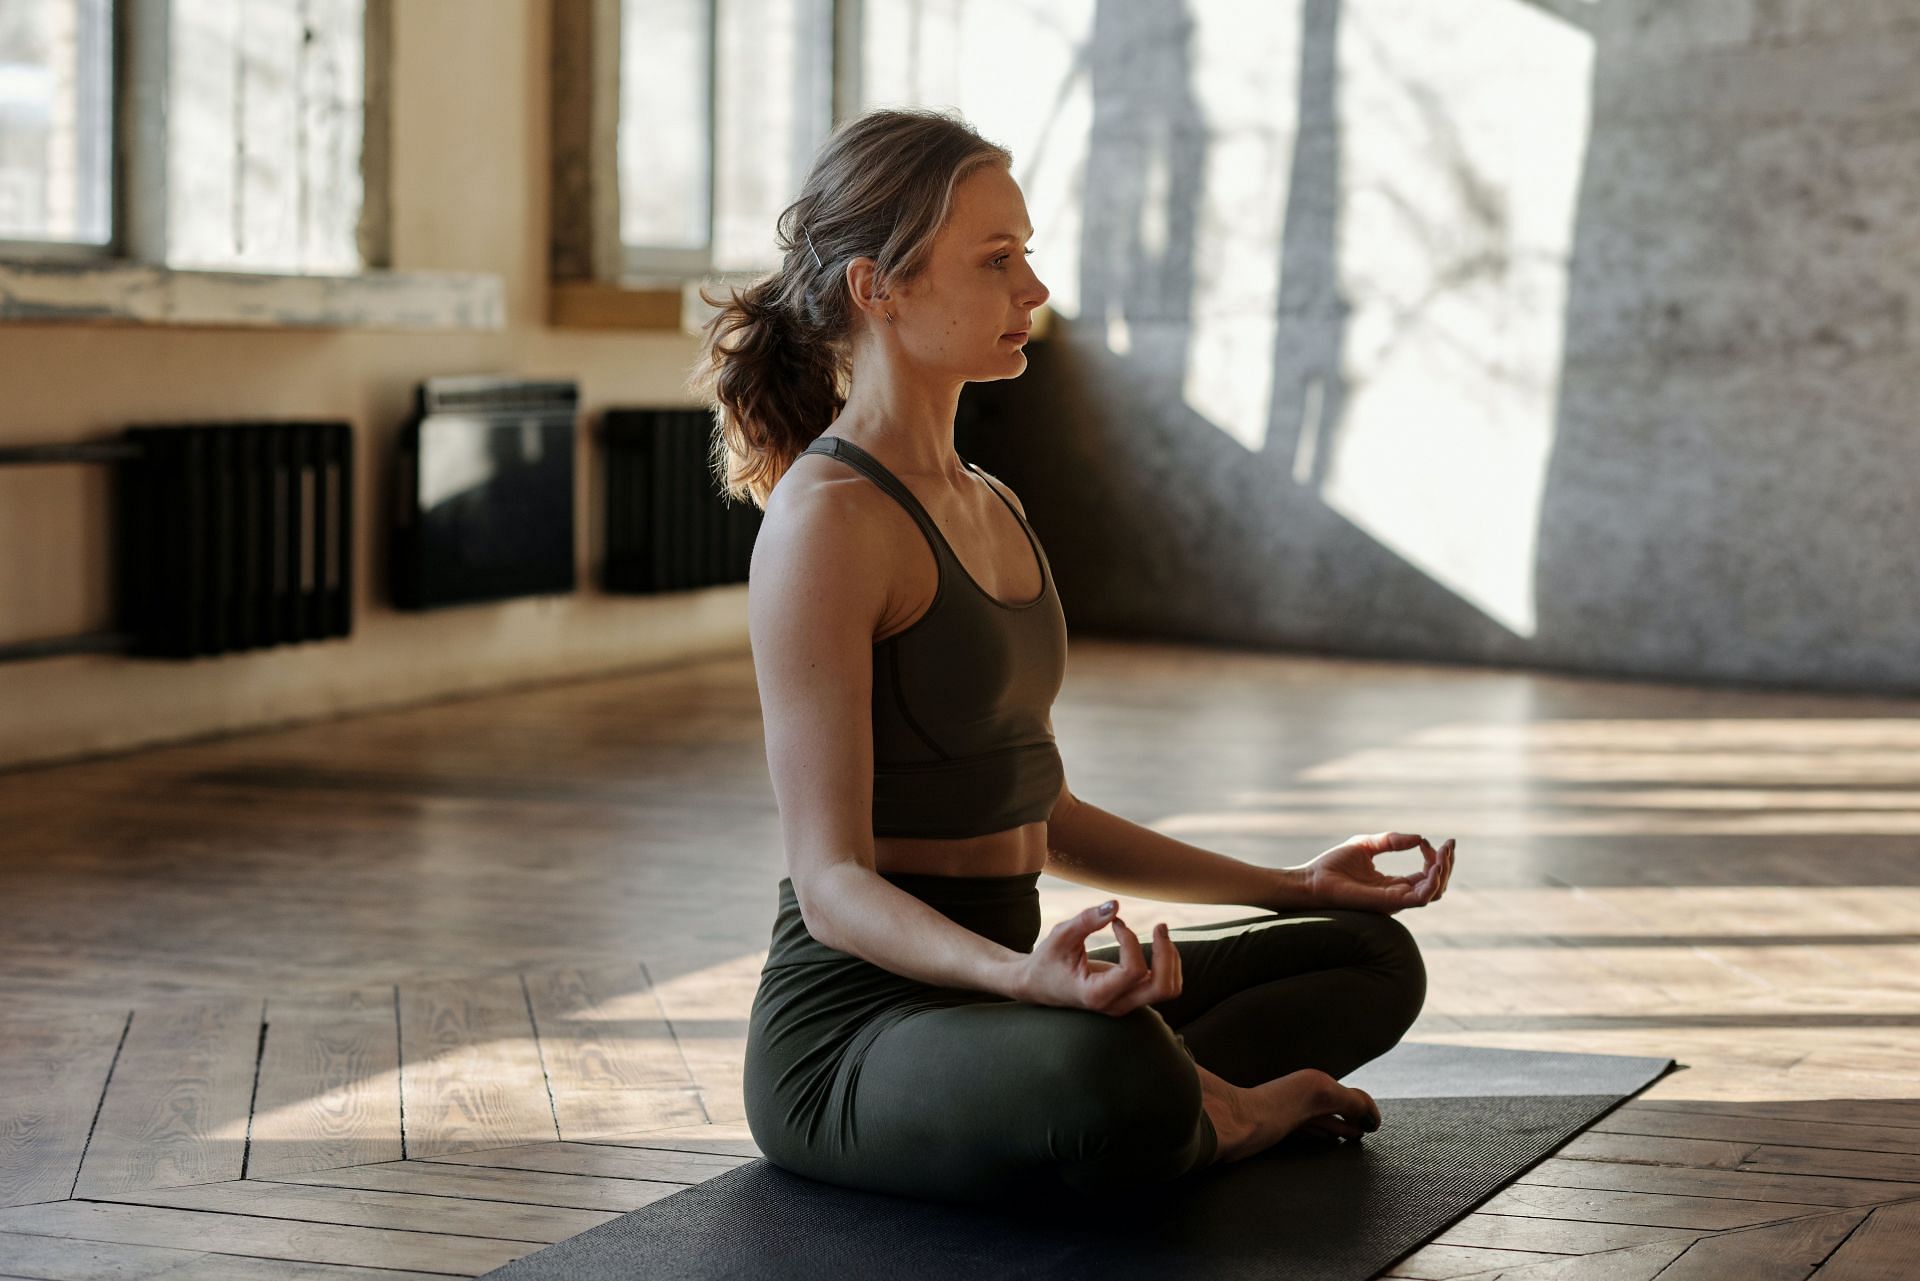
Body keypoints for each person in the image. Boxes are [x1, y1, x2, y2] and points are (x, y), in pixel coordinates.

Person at [689, 107, 1454, 1209]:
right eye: (997, 261)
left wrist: (1295, 882)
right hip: (860, 1031)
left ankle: (1173, 1099)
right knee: (1114, 1068)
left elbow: (1040, 812)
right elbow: (832, 887)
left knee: (1367, 955)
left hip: (1011, 994)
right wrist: (1021, 979)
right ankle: (1221, 1111)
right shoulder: (829, 522)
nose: (1033, 291)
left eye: (1028, 255)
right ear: (877, 288)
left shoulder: (989, 501)